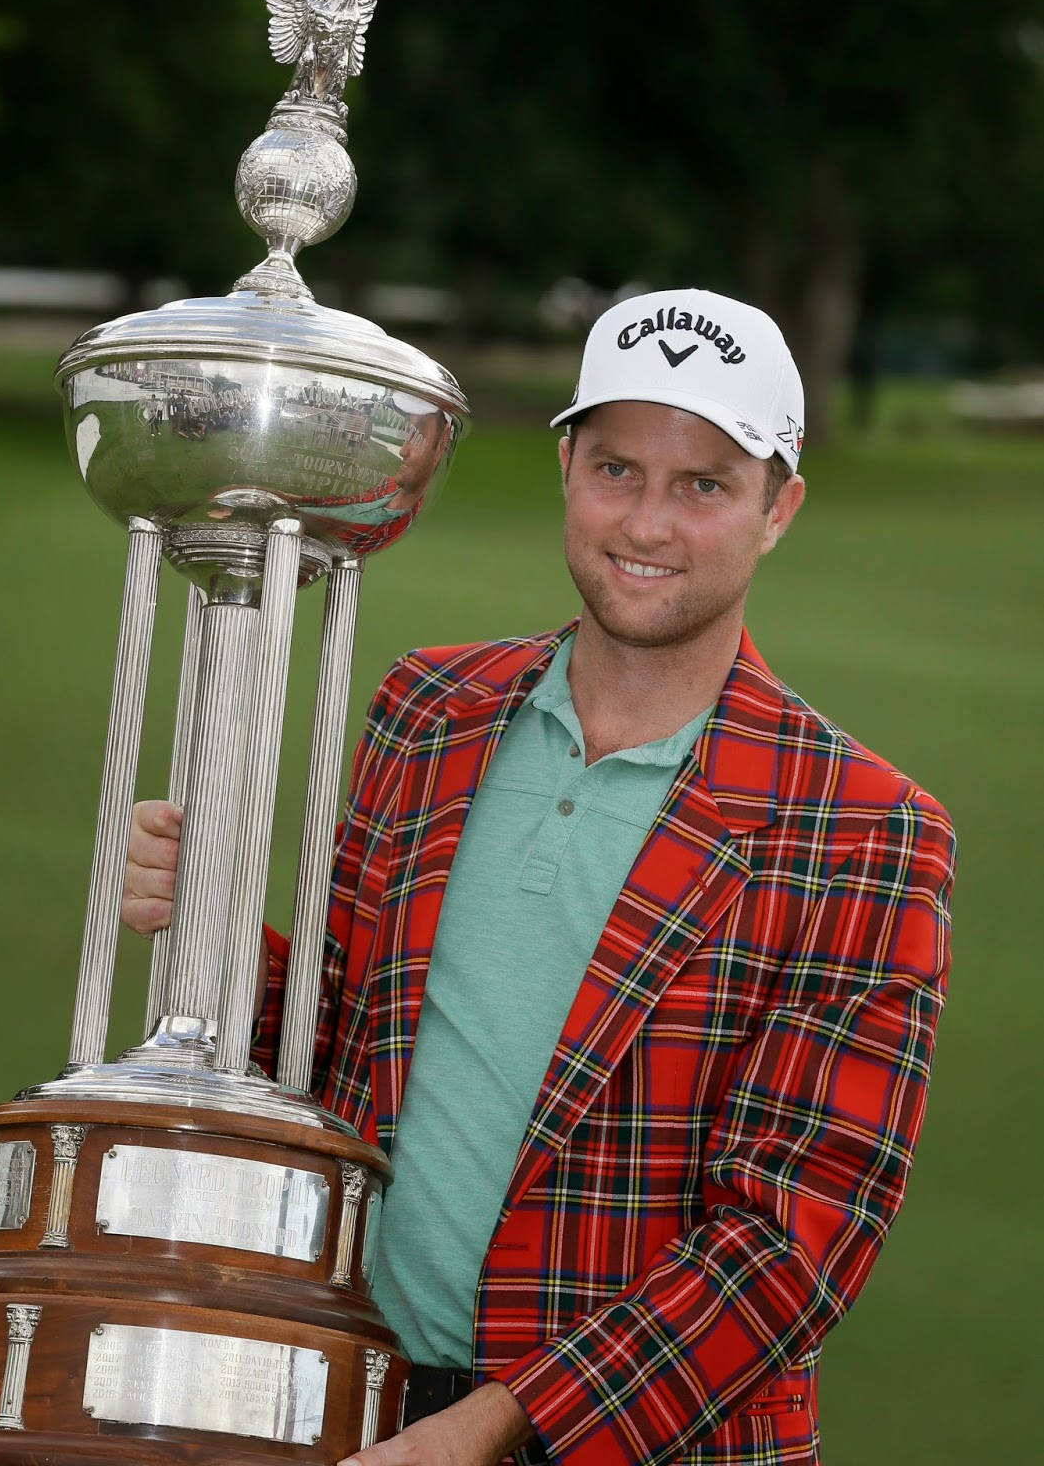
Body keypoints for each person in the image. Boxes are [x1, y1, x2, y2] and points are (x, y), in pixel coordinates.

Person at [124, 287, 955, 1466]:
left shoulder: (865, 828)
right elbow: (339, 1047)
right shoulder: (430, 709)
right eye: (618, 468)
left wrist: (495, 1427)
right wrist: (206, 918)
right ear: (567, 466)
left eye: (704, 484)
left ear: (780, 510)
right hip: (351, 1395)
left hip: (627, 1442)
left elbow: (793, 1241)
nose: (648, 523)